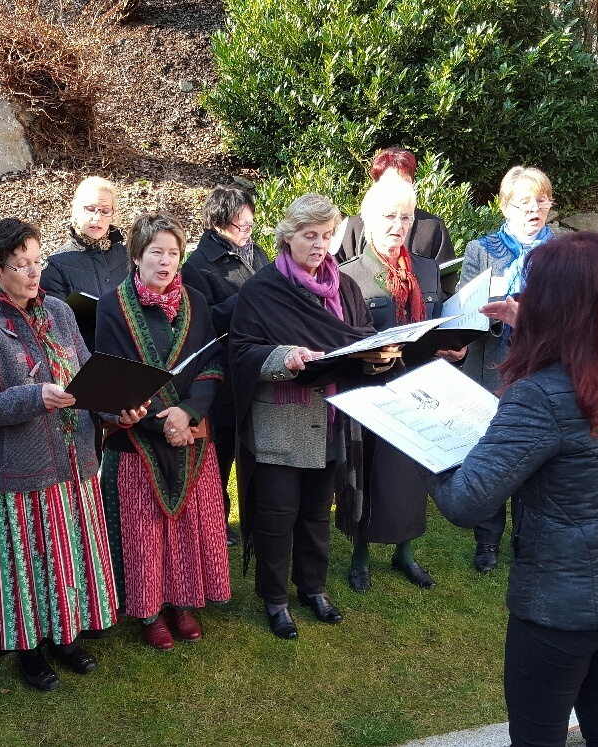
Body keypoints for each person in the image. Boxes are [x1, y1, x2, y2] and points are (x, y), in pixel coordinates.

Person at [427, 232, 598, 747]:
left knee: (537, 738)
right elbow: (583, 376)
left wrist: (423, 438)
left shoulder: (540, 397)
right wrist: (533, 331)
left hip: (563, 609)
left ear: (554, 307)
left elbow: (464, 501)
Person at [0, 218, 147, 690]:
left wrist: (118, 411)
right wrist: (36, 397)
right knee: (30, 566)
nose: (35, 273)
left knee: (70, 556)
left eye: (38, 261)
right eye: (22, 265)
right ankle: (29, 651)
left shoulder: (58, 310)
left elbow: (85, 380)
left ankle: (66, 637)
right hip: (20, 468)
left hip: (76, 461)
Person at [229, 193, 397, 640]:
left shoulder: (345, 287)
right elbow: (241, 352)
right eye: (310, 235)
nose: (320, 245)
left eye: (327, 236)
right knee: (277, 515)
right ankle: (275, 599)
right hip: (280, 421)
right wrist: (283, 358)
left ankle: (313, 588)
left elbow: (360, 339)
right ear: (288, 237)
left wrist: (378, 358)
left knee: (317, 513)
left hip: (331, 418)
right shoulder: (262, 290)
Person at [96, 213, 231, 650]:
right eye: (156, 252)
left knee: (188, 525)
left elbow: (211, 364)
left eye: (173, 253)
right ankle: (149, 610)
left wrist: (188, 414)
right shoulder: (112, 306)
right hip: (137, 437)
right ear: (137, 256)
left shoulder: (196, 301)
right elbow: (116, 374)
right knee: (144, 532)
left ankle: (183, 603)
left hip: (190, 433)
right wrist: (165, 419)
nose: (166, 261)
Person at [337, 177, 464, 592]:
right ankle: (360, 556)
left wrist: (453, 347)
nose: (397, 225)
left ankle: (405, 553)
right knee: (369, 475)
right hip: (371, 390)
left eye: (405, 217)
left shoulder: (427, 269)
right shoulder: (349, 275)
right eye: (389, 216)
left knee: (412, 473)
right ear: (369, 220)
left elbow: (438, 323)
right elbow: (340, 341)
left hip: (419, 388)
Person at [457, 165, 555, 573]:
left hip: (544, 367)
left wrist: (530, 316)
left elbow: (577, 312)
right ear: (505, 207)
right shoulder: (482, 249)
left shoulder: (566, 251)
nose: (534, 209)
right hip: (492, 365)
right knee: (493, 453)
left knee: (536, 453)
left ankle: (528, 541)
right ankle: (487, 542)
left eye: (541, 200)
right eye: (523, 203)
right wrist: (492, 314)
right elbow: (465, 309)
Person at [179, 184, 271, 547]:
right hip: (225, 372)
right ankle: (216, 519)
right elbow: (201, 323)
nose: (248, 232)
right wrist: (243, 302)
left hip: (259, 365)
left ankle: (256, 517)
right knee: (221, 454)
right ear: (219, 224)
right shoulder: (198, 266)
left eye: (251, 224)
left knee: (254, 450)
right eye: (240, 225)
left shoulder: (257, 253)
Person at [334, 148, 455, 289]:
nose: (399, 189)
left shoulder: (432, 227)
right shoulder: (353, 227)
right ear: (376, 185)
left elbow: (445, 285)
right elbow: (334, 279)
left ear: (413, 184)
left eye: (405, 182)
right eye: (391, 183)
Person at [41, 176, 131, 348]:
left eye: (105, 211)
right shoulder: (55, 264)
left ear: (113, 214)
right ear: (75, 210)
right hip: (84, 357)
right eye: (90, 209)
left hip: (129, 352)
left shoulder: (128, 255)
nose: (97, 218)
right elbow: (54, 326)